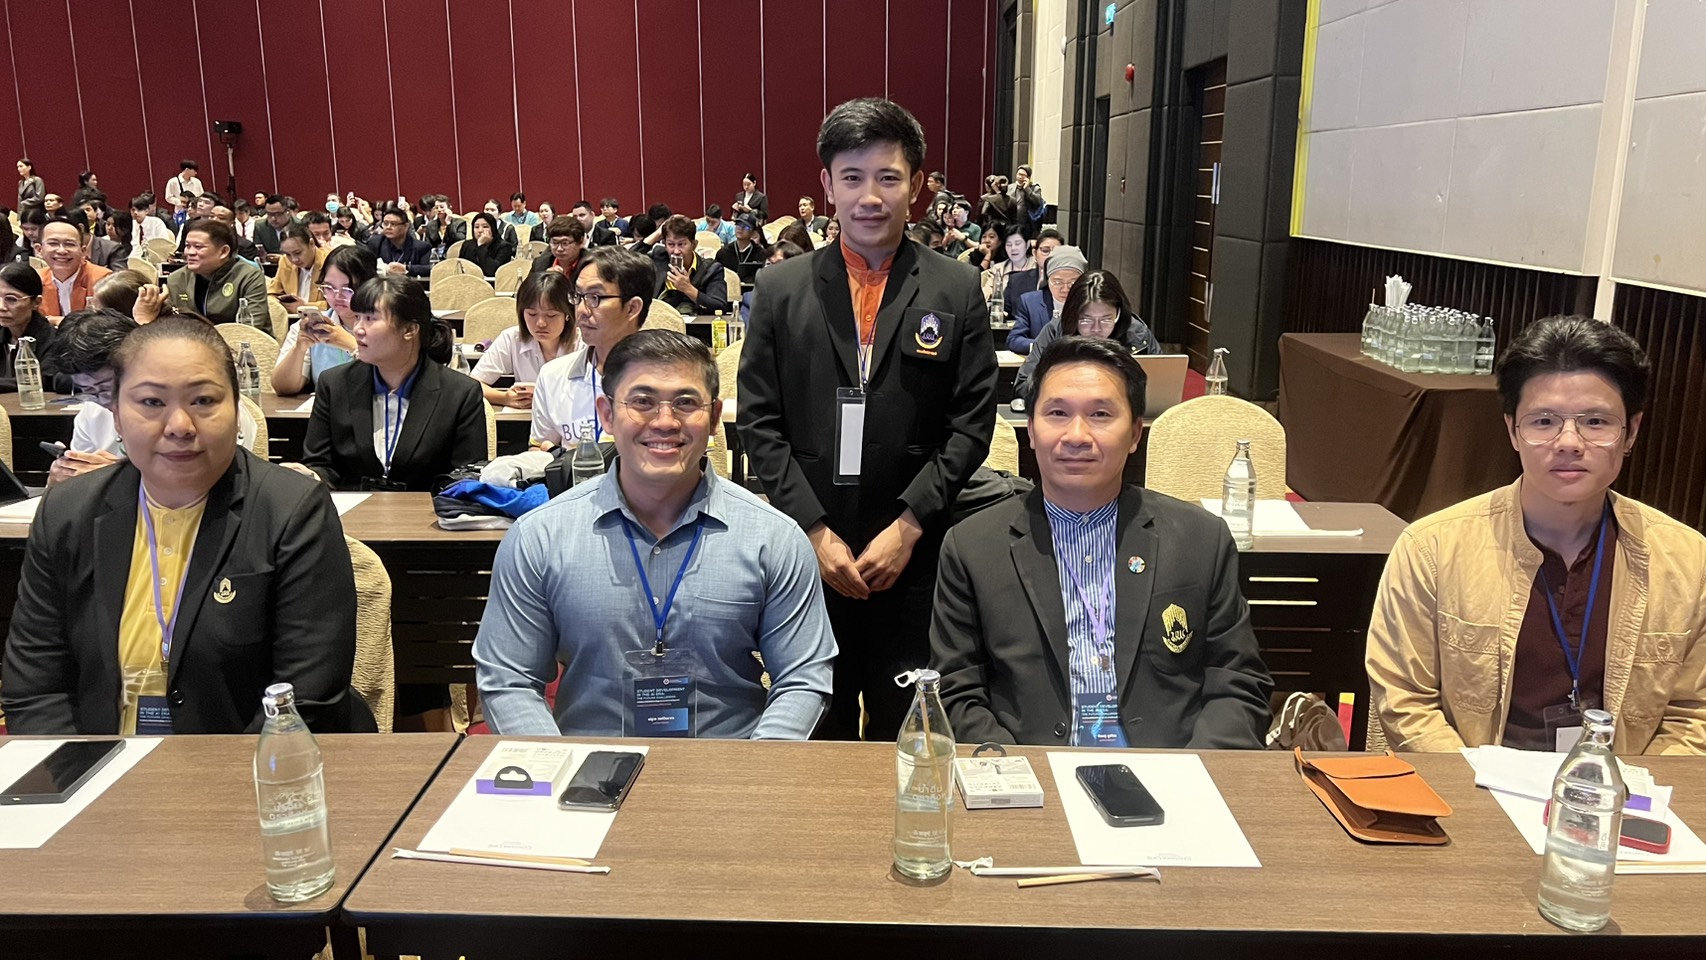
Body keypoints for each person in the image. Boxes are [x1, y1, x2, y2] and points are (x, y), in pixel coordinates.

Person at [739, 97, 998, 741]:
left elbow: (971, 424)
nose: (870, 197)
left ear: (918, 185)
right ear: (827, 186)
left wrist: (908, 528)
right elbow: (759, 422)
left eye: (888, 177)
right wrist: (813, 531)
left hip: (914, 550)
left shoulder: (956, 287)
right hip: (807, 550)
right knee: (814, 723)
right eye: (852, 178)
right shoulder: (781, 289)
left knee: (905, 729)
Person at [3, 315, 376, 735]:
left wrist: (208, 777)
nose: (179, 426)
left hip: (248, 762)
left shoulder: (291, 510)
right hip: (101, 759)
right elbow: (36, 687)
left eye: (203, 401)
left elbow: (306, 697)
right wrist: (77, 767)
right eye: (151, 402)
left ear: (236, 409)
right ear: (116, 415)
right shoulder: (68, 511)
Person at [1368, 316, 1706, 755]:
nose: (1569, 442)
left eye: (1596, 422)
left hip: (1621, 788)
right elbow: (1406, 700)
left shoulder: (1689, 561)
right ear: (1513, 430)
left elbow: (1693, 716)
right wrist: (1480, 784)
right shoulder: (1431, 548)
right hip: (1475, 783)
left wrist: (1621, 790)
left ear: (1632, 432)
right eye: (1544, 421)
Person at [475, 329, 837, 737]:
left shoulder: (775, 539)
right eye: (642, 402)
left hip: (728, 763)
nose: (665, 421)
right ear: (606, 414)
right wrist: (555, 765)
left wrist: (755, 769)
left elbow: (802, 678)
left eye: (686, 402)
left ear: (714, 418)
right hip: (587, 764)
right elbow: (509, 680)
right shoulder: (539, 538)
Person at [930, 336, 1272, 747]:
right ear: (1032, 430)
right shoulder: (972, 548)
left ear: (1135, 433)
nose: (1077, 435)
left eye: (1100, 414)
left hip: (1170, 771)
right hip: (1029, 772)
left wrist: (1194, 771)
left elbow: (1238, 682)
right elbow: (955, 694)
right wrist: (1013, 773)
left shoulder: (1200, 540)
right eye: (1057, 413)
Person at [293, 275, 484, 491]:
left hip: (429, 510)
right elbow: (321, 465)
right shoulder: (334, 384)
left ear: (409, 330)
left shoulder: (460, 393)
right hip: (352, 510)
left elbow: (465, 476)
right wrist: (310, 475)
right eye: (358, 317)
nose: (358, 329)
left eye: (370, 318)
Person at [531, 246, 653, 450]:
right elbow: (538, 448)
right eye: (578, 296)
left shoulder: (669, 380)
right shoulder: (553, 375)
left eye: (595, 297)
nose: (581, 310)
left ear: (632, 308)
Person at [1012, 270, 1162, 398]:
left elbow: (1163, 385)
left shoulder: (1136, 333)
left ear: (1118, 313)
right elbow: (1023, 386)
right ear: (1073, 315)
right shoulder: (1055, 331)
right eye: (1086, 320)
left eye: (1106, 319)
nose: (1096, 329)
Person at [271, 243, 371, 395]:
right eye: (329, 288)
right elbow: (283, 388)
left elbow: (393, 381)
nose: (337, 296)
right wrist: (299, 348)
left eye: (347, 289)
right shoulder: (313, 326)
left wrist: (351, 345)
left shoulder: (384, 327)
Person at [471, 268, 578, 409]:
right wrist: (504, 398)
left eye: (551, 315)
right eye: (532, 314)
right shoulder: (511, 338)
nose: (541, 323)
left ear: (567, 314)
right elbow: (473, 384)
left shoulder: (584, 343)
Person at [164, 218, 268, 326]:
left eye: (198, 247)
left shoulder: (248, 277)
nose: (190, 252)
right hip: (189, 336)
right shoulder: (177, 279)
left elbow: (252, 326)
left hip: (238, 336)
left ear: (223, 251)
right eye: (187, 246)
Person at [1007, 242, 1084, 355]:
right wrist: (1044, 346)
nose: (1065, 289)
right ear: (1048, 280)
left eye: (1073, 283)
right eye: (1057, 282)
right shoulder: (1030, 302)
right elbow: (1014, 340)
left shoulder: (1089, 304)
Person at [651, 215, 730, 315]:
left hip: (694, 322)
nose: (676, 251)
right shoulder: (659, 258)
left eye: (681, 244)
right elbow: (631, 260)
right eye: (671, 244)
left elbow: (719, 306)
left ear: (694, 245)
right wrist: (656, 234)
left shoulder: (711, 269)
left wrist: (687, 288)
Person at [0, 262, 60, 391]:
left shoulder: (53, 340)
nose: (1, 307)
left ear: (36, 302)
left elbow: (42, 380)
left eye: (11, 299)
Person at [37, 217, 113, 318]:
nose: (62, 251)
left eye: (69, 244)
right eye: (53, 243)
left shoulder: (103, 280)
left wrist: (62, 323)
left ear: (83, 251)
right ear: (39, 250)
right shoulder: (35, 280)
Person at [739, 240, 807, 322]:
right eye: (768, 264)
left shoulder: (808, 301)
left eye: (779, 264)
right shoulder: (750, 300)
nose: (771, 270)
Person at [268, 223, 330, 312]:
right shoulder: (285, 261)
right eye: (288, 254)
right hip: (290, 318)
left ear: (312, 244)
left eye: (298, 253)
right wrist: (280, 305)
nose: (294, 259)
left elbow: (339, 302)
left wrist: (305, 306)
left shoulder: (330, 262)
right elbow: (272, 294)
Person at [366, 205, 433, 277]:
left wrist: (406, 268)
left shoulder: (422, 247)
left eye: (393, 224)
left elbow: (429, 269)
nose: (388, 227)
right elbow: (366, 266)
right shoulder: (375, 243)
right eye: (385, 223)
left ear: (406, 226)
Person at [983, 222, 1033, 307]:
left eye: (1018, 243)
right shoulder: (998, 269)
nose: (1013, 248)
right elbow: (986, 292)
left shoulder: (1038, 266)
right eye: (1009, 244)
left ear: (1027, 244)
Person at [715, 212, 769, 288]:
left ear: (753, 233)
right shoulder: (723, 253)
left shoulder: (761, 254)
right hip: (728, 289)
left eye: (746, 227)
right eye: (738, 225)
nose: (741, 228)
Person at [458, 212, 515, 277]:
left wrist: (481, 246)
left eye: (485, 227)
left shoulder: (504, 247)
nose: (480, 230)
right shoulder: (467, 245)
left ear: (493, 229)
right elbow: (460, 269)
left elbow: (492, 271)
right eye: (476, 227)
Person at [1009, 164, 1046, 238]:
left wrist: (1027, 188)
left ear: (1028, 177)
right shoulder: (1010, 188)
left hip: (1028, 225)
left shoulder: (1035, 189)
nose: (1020, 177)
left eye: (1023, 175)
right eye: (1019, 174)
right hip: (1012, 224)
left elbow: (1037, 202)